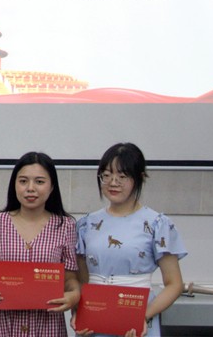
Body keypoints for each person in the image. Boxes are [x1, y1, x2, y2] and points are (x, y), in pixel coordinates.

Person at [73, 143, 187, 337]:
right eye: (106, 175)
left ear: (140, 177)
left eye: (122, 176)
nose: (113, 182)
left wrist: (144, 316)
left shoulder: (156, 223)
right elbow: (82, 281)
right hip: (95, 320)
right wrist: (78, 313)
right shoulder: (87, 224)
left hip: (136, 319)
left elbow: (174, 284)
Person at [0, 151, 81, 337]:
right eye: (23, 181)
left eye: (39, 182)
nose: (30, 188)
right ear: (14, 185)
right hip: (2, 324)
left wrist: (74, 295)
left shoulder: (65, 226)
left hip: (47, 325)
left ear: (52, 187)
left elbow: (70, 277)